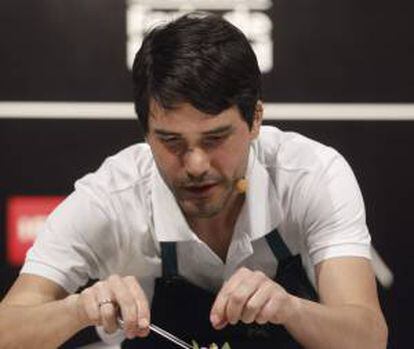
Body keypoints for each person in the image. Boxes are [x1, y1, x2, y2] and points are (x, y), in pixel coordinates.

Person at [0, 13, 387, 349]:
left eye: (216, 138)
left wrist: (290, 309)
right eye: (170, 141)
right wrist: (78, 309)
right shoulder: (110, 199)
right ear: (145, 132)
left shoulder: (310, 175)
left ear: (255, 120)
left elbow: (367, 337)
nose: (196, 164)